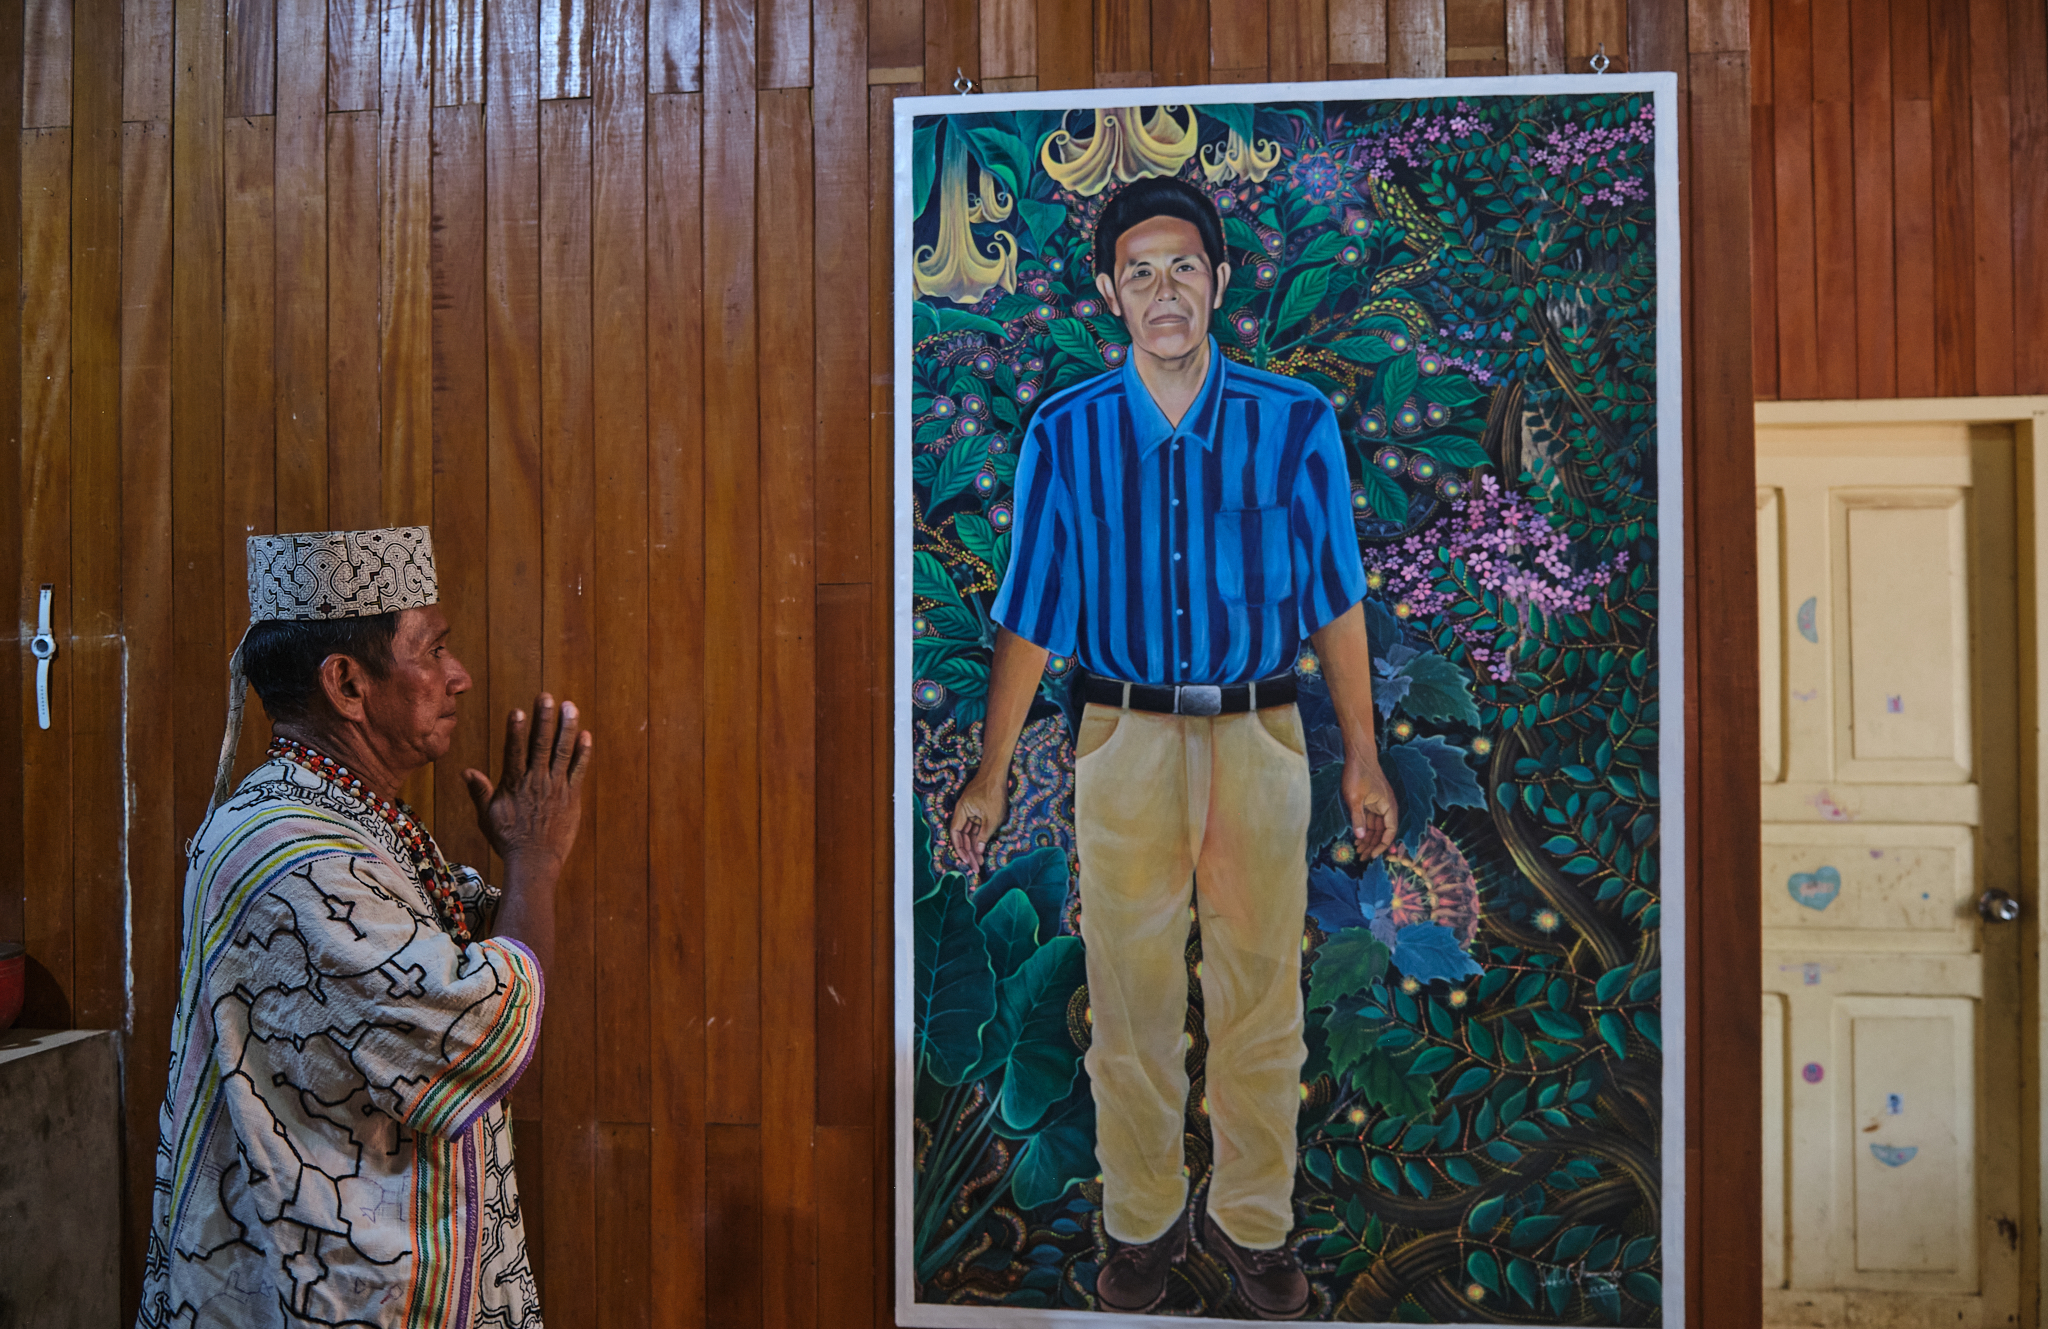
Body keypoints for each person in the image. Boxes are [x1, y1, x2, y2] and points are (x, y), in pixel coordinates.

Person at [947, 177, 1397, 1319]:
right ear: (1109, 292)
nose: (1163, 291)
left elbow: (1335, 597)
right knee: (1131, 996)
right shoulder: (1066, 434)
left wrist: (1361, 754)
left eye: (1183, 267)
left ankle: (1254, 1226)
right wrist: (991, 774)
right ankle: (1141, 1224)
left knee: (1260, 996)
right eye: (1138, 272)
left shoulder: (1293, 422)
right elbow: (1031, 612)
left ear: (1220, 282)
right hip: (1125, 739)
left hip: (1259, 733)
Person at [138, 527, 590, 1329]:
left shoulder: (338, 815)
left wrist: (522, 871)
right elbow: (480, 1029)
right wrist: (534, 859)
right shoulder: (290, 853)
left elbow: (456, 957)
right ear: (348, 683)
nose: (459, 675)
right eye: (434, 649)